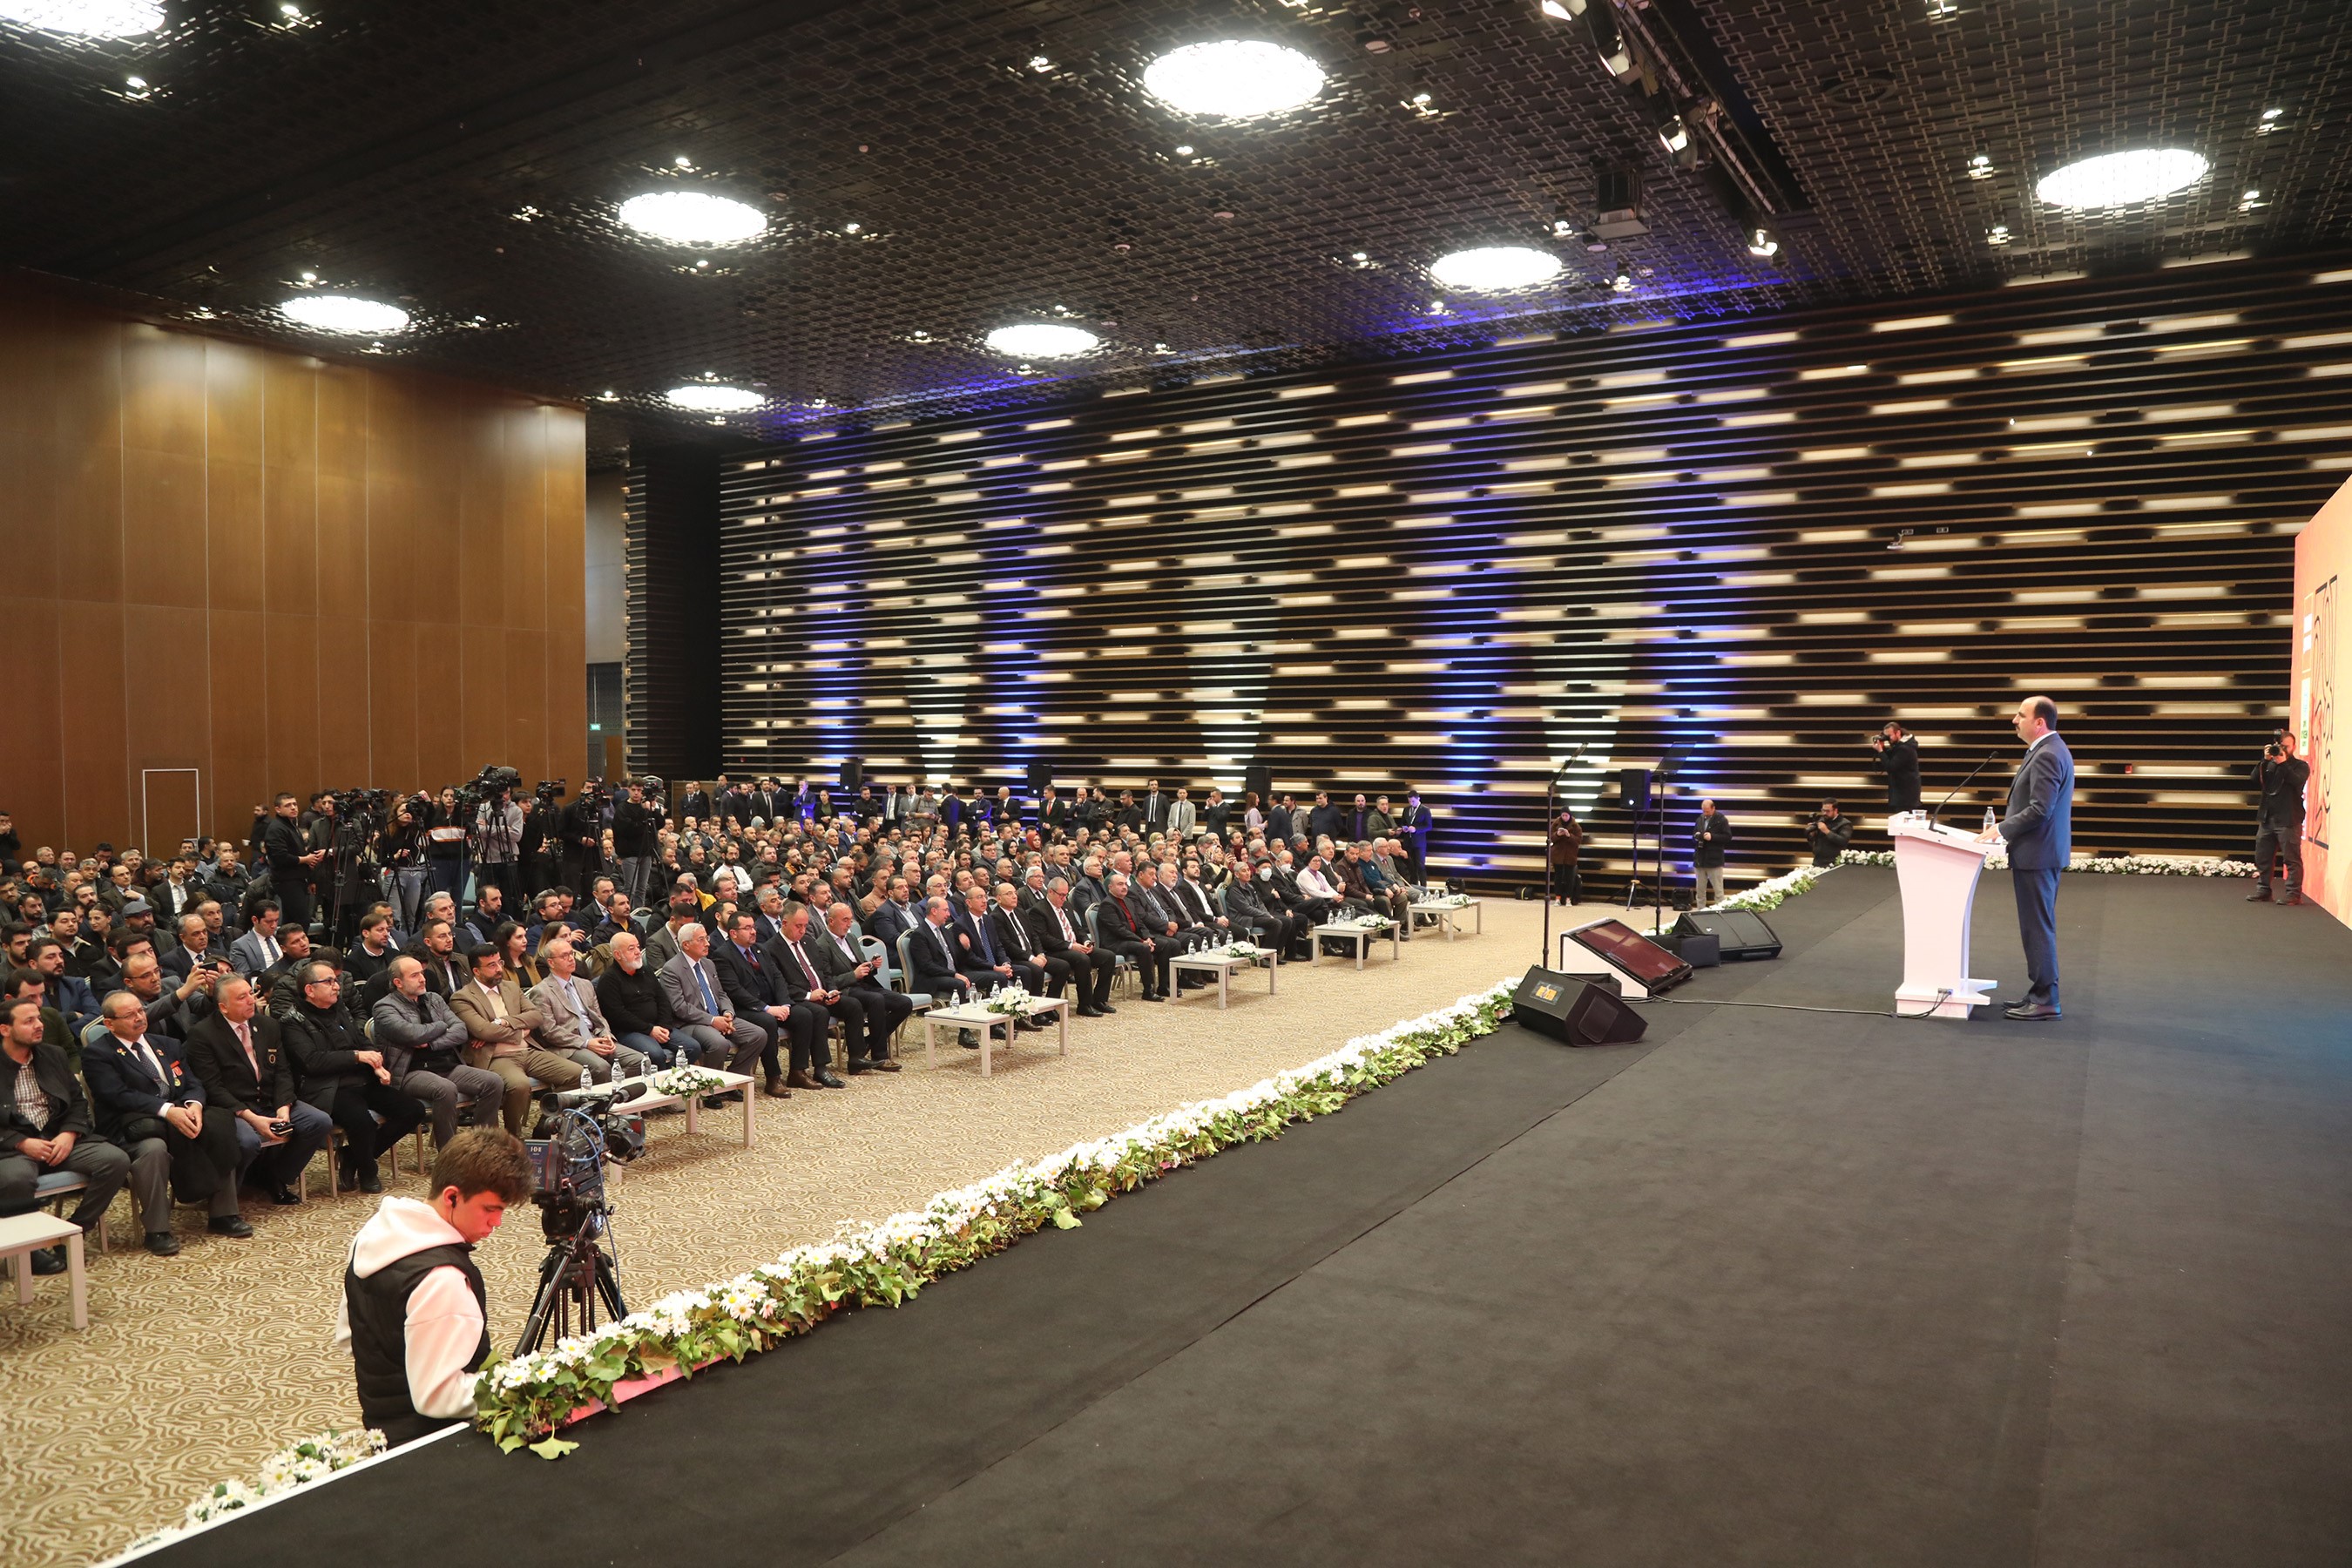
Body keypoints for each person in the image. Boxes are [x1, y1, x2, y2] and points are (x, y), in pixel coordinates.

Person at [335, 1126, 531, 1447]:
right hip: (435, 1444)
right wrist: (519, 1384)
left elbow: (348, 1336)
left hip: (381, 1426)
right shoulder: (443, 1279)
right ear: (452, 1196)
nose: (497, 1224)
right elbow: (437, 1398)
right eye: (490, 1209)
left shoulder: (372, 1234)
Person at [82, 988, 245, 1252]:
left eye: (140, 1011)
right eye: (129, 1015)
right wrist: (167, 1110)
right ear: (110, 1024)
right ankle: (157, 1230)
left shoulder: (166, 1044)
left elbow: (193, 1082)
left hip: (180, 1113)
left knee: (217, 1127)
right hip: (133, 1126)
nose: (139, 1018)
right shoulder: (98, 1054)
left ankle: (223, 1215)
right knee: (154, 1150)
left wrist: (195, 1106)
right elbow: (117, 1095)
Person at [0, 994, 133, 1274]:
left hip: (60, 1138)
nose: (39, 1025)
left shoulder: (54, 1055)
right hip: (14, 1146)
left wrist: (69, 1134)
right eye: (29, 1021)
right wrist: (22, 1142)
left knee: (115, 1160)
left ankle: (72, 1232)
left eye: (39, 1018)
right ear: (5, 1029)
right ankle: (31, 1249)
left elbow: (77, 1102)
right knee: (15, 1179)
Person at [181, 974, 332, 1205]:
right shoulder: (202, 1034)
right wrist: (252, 1118)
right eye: (242, 998)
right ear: (223, 1007)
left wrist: (284, 1106)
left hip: (271, 1100)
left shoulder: (267, 1025)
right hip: (234, 1107)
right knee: (247, 1141)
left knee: (318, 1121)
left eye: (250, 994)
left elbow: (282, 1071)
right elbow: (213, 1087)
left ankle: (276, 1177)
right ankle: (226, 1195)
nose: (251, 1000)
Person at [282, 960, 426, 1195]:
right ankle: (368, 1171)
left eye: (335, 981)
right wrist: (357, 1056)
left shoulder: (338, 1009)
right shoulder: (293, 1021)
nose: (336, 986)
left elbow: (362, 1040)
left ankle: (353, 1156)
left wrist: (376, 1063)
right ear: (309, 990)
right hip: (329, 1087)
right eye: (328, 982)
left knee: (413, 1110)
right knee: (362, 1123)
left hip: (362, 1080)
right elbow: (312, 1061)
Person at [1977, 695, 2075, 1021]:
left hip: (2038, 854)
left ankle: (2047, 998)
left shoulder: (2048, 754)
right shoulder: (2047, 750)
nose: (2014, 720)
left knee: (2037, 928)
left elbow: (2040, 810)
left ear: (2039, 722)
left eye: (2020, 715)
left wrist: (2001, 829)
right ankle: (2039, 992)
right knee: (2036, 926)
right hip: (2039, 853)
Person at [371, 956, 505, 1150]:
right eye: (415, 975)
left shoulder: (434, 999)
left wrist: (431, 1043)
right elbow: (413, 1035)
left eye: (422, 973)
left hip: (446, 1064)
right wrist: (442, 1026)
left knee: (493, 1082)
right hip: (410, 1071)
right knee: (445, 1089)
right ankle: (448, 1153)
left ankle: (481, 1146)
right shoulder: (385, 1007)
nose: (422, 979)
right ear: (398, 982)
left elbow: (460, 1031)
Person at [448, 944, 583, 1134]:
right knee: (520, 1085)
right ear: (477, 971)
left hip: (528, 1051)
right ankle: (513, 1136)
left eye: (500, 963)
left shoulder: (511, 987)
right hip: (496, 1057)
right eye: (492, 965)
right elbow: (484, 1031)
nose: (499, 969)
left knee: (577, 1073)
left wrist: (504, 1022)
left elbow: (536, 1016)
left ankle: (546, 1126)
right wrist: (520, 1031)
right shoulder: (462, 997)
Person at [657, 923, 777, 1094]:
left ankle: (731, 1081)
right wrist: (713, 1021)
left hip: (719, 1016)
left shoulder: (708, 964)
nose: (708, 943)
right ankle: (710, 1090)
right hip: (691, 1022)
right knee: (719, 1043)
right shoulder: (672, 969)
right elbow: (680, 1007)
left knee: (758, 1035)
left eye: (707, 938)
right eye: (701, 940)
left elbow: (721, 994)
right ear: (686, 945)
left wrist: (728, 1013)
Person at [530, 935, 646, 1084]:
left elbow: (598, 1017)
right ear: (551, 962)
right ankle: (602, 1102)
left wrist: (606, 1035)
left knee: (638, 1060)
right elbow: (550, 1032)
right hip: (569, 1046)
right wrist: (586, 1043)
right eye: (564, 956)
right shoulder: (541, 991)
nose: (571, 959)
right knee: (601, 1068)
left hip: (595, 1038)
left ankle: (618, 1095)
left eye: (571, 953)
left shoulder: (585, 984)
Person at [810, 901, 911, 1070]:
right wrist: (853, 975)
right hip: (846, 989)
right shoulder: (822, 945)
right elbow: (827, 981)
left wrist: (871, 965)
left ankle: (868, 1041)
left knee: (904, 1003)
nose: (849, 924)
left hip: (865, 985)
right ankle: (880, 1055)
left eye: (850, 920)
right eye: (845, 920)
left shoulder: (850, 937)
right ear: (831, 921)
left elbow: (861, 964)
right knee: (876, 999)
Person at [2248, 730, 2310, 906]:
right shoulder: (2269, 764)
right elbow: (2253, 779)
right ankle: (2264, 890)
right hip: (2267, 818)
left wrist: (2282, 763)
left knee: (2291, 859)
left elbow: (2297, 781)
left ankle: (2293, 894)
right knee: (2263, 857)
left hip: (2289, 819)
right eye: (2280, 746)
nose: (2282, 750)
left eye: (2286, 746)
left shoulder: (2300, 765)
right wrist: (2265, 760)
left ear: (2294, 747)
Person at [1871, 721, 1922, 815]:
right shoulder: (1900, 746)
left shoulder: (1905, 748)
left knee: (1904, 824)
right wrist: (1882, 748)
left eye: (1889, 736)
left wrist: (1881, 751)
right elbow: (1891, 756)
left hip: (1906, 795)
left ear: (1898, 733)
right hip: (1904, 794)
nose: (1888, 739)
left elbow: (1891, 767)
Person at [1692, 799, 1733, 907]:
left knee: (1718, 891)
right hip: (1700, 859)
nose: (1705, 813)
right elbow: (1693, 835)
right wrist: (1697, 836)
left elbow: (1728, 837)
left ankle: (1720, 911)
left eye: (1707, 811)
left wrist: (1712, 837)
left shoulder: (1721, 820)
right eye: (1704, 811)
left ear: (1713, 808)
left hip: (1714, 860)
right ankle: (1700, 912)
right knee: (1700, 892)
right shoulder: (1699, 819)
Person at [1548, 807, 1584, 904]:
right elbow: (1550, 839)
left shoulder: (1576, 826)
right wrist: (1558, 835)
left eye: (1566, 815)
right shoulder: (1555, 824)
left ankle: (1569, 898)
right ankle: (1558, 898)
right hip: (1558, 854)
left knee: (1570, 877)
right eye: (1563, 815)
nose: (1564, 817)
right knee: (1558, 877)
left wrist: (1569, 836)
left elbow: (1579, 840)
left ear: (1570, 815)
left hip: (1570, 854)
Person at [1803, 800, 1853, 868]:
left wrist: (1826, 831)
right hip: (1818, 861)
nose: (1824, 813)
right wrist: (1812, 835)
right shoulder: (1822, 820)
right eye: (1823, 810)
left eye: (1828, 811)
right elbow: (1813, 842)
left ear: (1835, 810)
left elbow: (1843, 841)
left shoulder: (1845, 824)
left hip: (1834, 863)